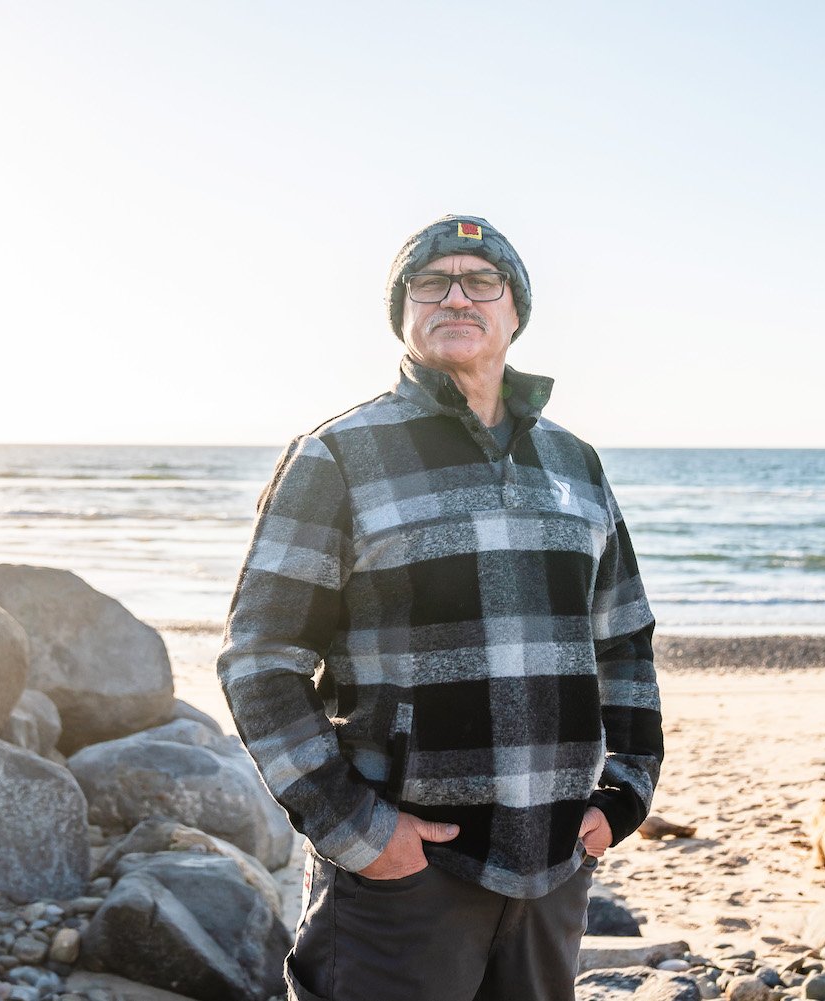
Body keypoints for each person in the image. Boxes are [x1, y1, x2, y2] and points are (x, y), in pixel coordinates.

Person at [217, 214, 663, 1001]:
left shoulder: (574, 461)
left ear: (514, 311)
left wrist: (625, 790)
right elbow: (260, 659)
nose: (457, 296)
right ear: (404, 312)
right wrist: (359, 830)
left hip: (556, 864)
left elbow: (624, 639)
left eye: (481, 281)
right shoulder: (338, 456)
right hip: (405, 875)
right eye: (432, 282)